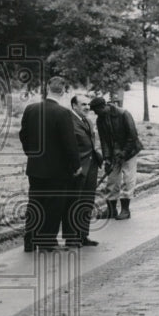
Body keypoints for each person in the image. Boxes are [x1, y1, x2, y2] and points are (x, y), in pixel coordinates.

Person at [19, 76, 82, 251]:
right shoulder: (63, 113)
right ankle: (46, 242)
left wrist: (31, 154)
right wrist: (76, 165)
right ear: (63, 91)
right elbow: (70, 143)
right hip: (57, 170)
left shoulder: (31, 109)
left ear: (47, 87)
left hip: (35, 167)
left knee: (35, 203)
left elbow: (23, 135)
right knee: (54, 205)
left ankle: (29, 240)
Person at [89, 96, 143, 220]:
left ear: (103, 107)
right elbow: (104, 141)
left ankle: (125, 210)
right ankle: (111, 209)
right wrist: (107, 158)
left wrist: (124, 153)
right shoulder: (100, 120)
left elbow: (132, 136)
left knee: (128, 179)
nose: (95, 113)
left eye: (96, 110)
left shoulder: (123, 114)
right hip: (113, 154)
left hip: (129, 151)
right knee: (112, 180)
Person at [67, 94, 104, 246]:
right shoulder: (69, 121)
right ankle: (72, 237)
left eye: (88, 104)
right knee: (75, 202)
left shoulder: (88, 121)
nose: (87, 107)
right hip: (78, 167)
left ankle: (83, 235)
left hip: (92, 165)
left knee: (87, 201)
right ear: (74, 106)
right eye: (83, 104)